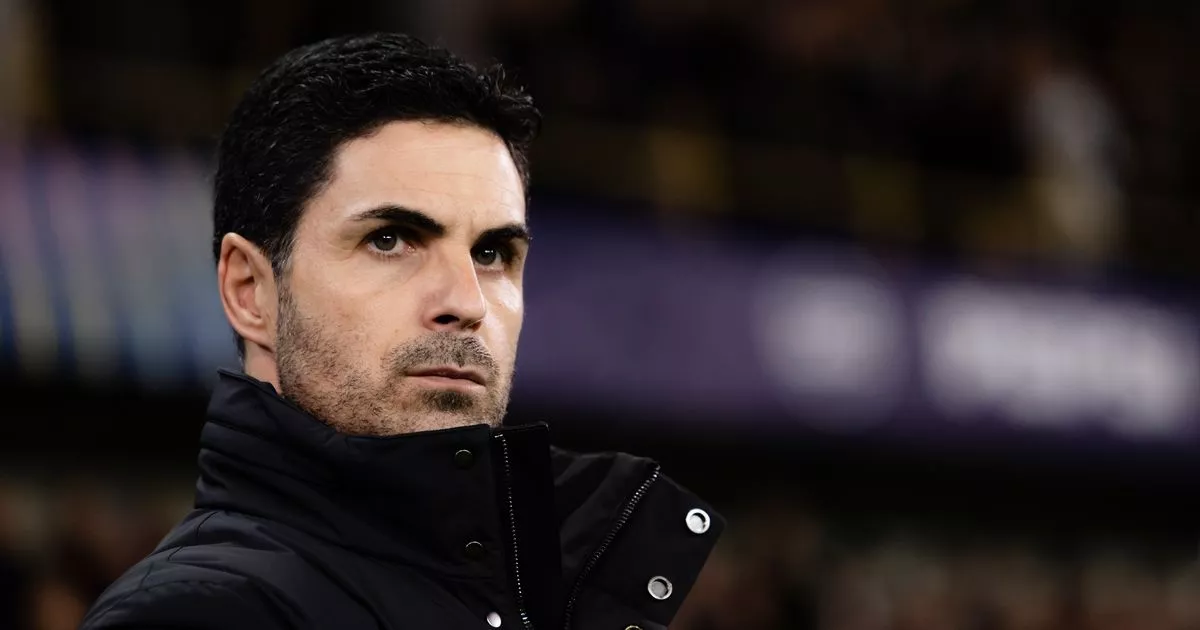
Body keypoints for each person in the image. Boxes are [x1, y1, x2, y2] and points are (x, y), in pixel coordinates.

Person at [79, 33, 722, 630]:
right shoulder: (195, 615)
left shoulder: (529, 592)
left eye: (492, 253)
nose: (466, 302)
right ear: (250, 291)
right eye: (390, 240)